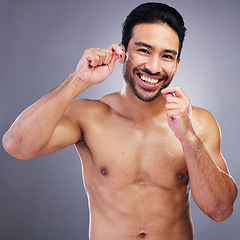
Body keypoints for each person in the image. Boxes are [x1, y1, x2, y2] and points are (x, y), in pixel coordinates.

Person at [2, 2, 237, 240]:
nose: (154, 67)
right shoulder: (90, 116)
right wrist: (78, 80)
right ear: (123, 52)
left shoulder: (199, 123)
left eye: (167, 56)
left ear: (176, 64)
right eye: (144, 51)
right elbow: (16, 145)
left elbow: (220, 210)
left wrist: (188, 137)